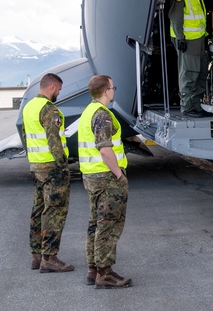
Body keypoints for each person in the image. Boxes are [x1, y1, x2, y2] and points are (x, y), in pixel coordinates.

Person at [78, 74, 132, 288]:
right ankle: (105, 272)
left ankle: (93, 268)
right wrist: (119, 174)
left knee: (96, 223)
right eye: (113, 86)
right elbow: (105, 148)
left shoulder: (87, 112)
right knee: (109, 224)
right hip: (106, 177)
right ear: (106, 90)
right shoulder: (102, 115)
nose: (114, 90)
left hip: (91, 176)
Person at [24, 72, 74, 273]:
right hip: (52, 168)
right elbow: (54, 143)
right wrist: (63, 165)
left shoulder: (29, 107)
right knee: (54, 212)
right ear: (52, 87)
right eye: (59, 90)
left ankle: (36, 255)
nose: (59, 94)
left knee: (38, 211)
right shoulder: (49, 110)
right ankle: (50, 258)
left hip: (36, 166)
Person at [169, 0, 210, 117]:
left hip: (198, 38)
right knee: (189, 73)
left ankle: (196, 106)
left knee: (200, 72)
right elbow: (176, 16)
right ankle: (187, 107)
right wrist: (181, 38)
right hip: (187, 39)